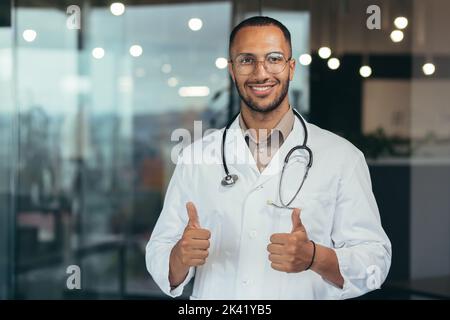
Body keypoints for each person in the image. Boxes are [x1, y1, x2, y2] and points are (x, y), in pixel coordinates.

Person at [146, 16, 391, 299]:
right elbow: (159, 251)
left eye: (273, 59)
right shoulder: (196, 157)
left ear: (291, 68)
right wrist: (179, 256)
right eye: (246, 60)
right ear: (232, 70)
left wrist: (315, 257)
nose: (260, 73)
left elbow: (376, 262)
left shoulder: (342, 157)